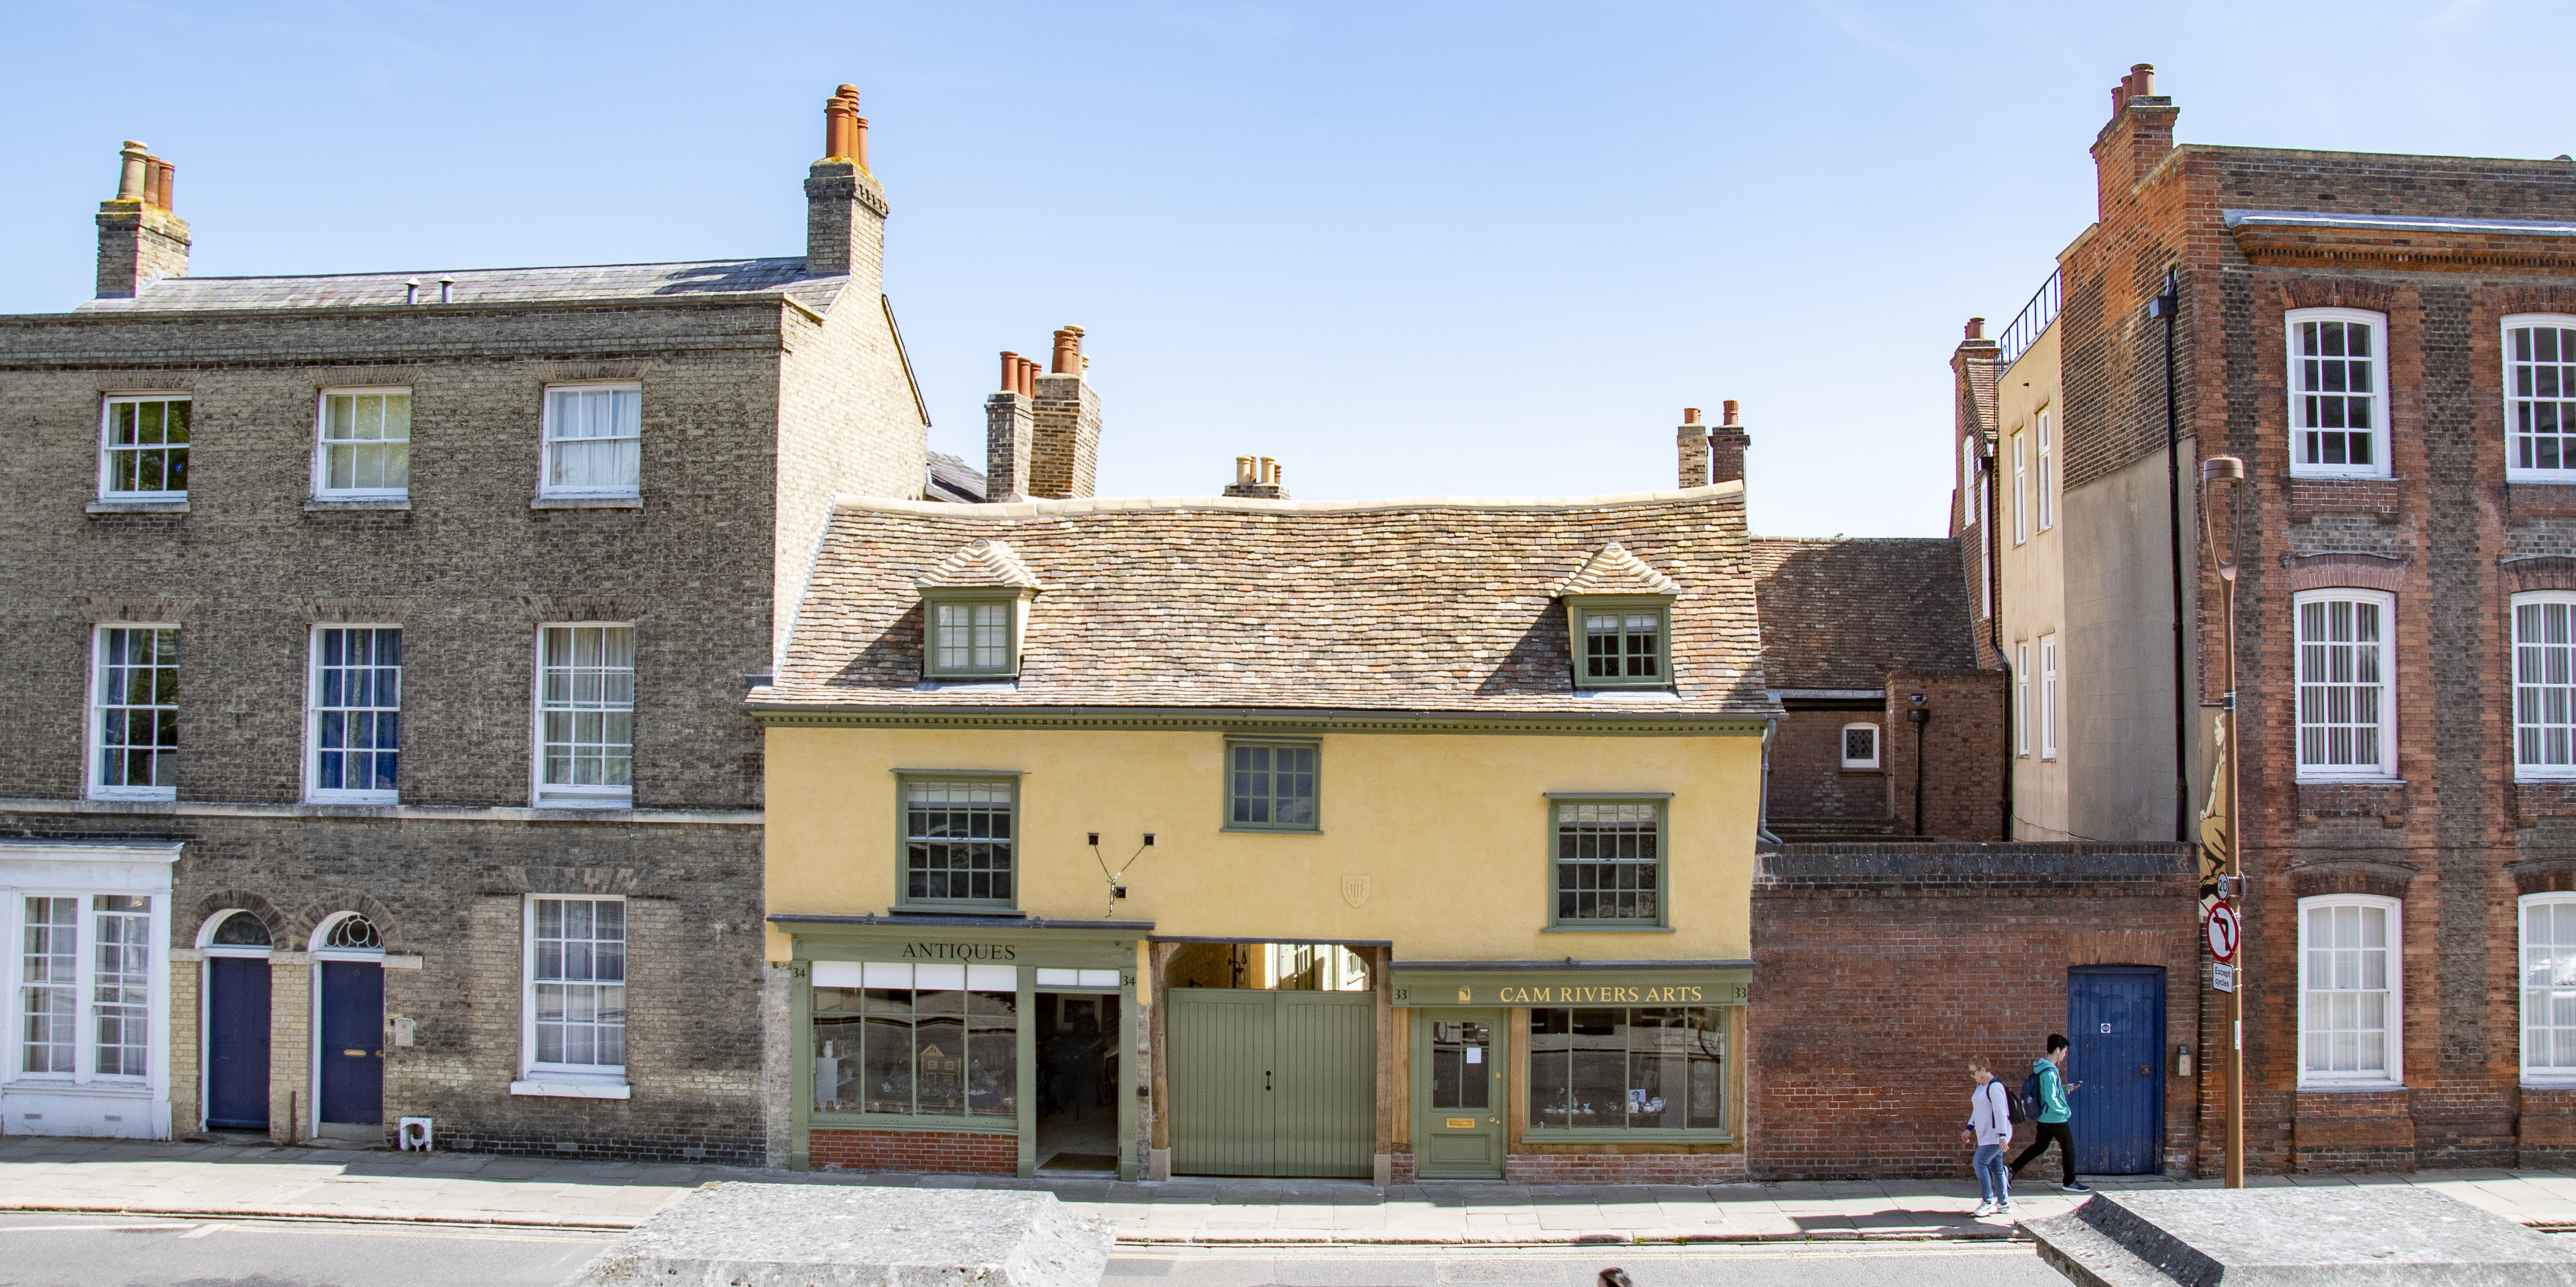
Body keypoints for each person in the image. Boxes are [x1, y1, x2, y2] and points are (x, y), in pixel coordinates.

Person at [2009, 1033, 2091, 1195]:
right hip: (2055, 1117)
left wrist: (2064, 1088)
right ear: (2058, 1050)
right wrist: (2065, 1111)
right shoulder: (2049, 1072)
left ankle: (2011, 1169)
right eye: (2065, 1052)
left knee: (2040, 1146)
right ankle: (2070, 1182)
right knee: (2069, 1148)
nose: (2065, 1055)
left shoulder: (2044, 1068)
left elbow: (2048, 1091)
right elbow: (2051, 1098)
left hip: (2045, 1116)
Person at [1958, 1056, 2015, 1218]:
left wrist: (2002, 1136)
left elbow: (2001, 1112)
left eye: (1973, 1072)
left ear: (1983, 1070)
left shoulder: (1995, 1087)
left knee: (1979, 1162)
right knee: (1997, 1168)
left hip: (1996, 1136)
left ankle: (1987, 1202)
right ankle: (2004, 1204)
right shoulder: (1980, 1086)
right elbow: (1978, 1109)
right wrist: (1970, 1128)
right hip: (1986, 1135)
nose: (1972, 1076)